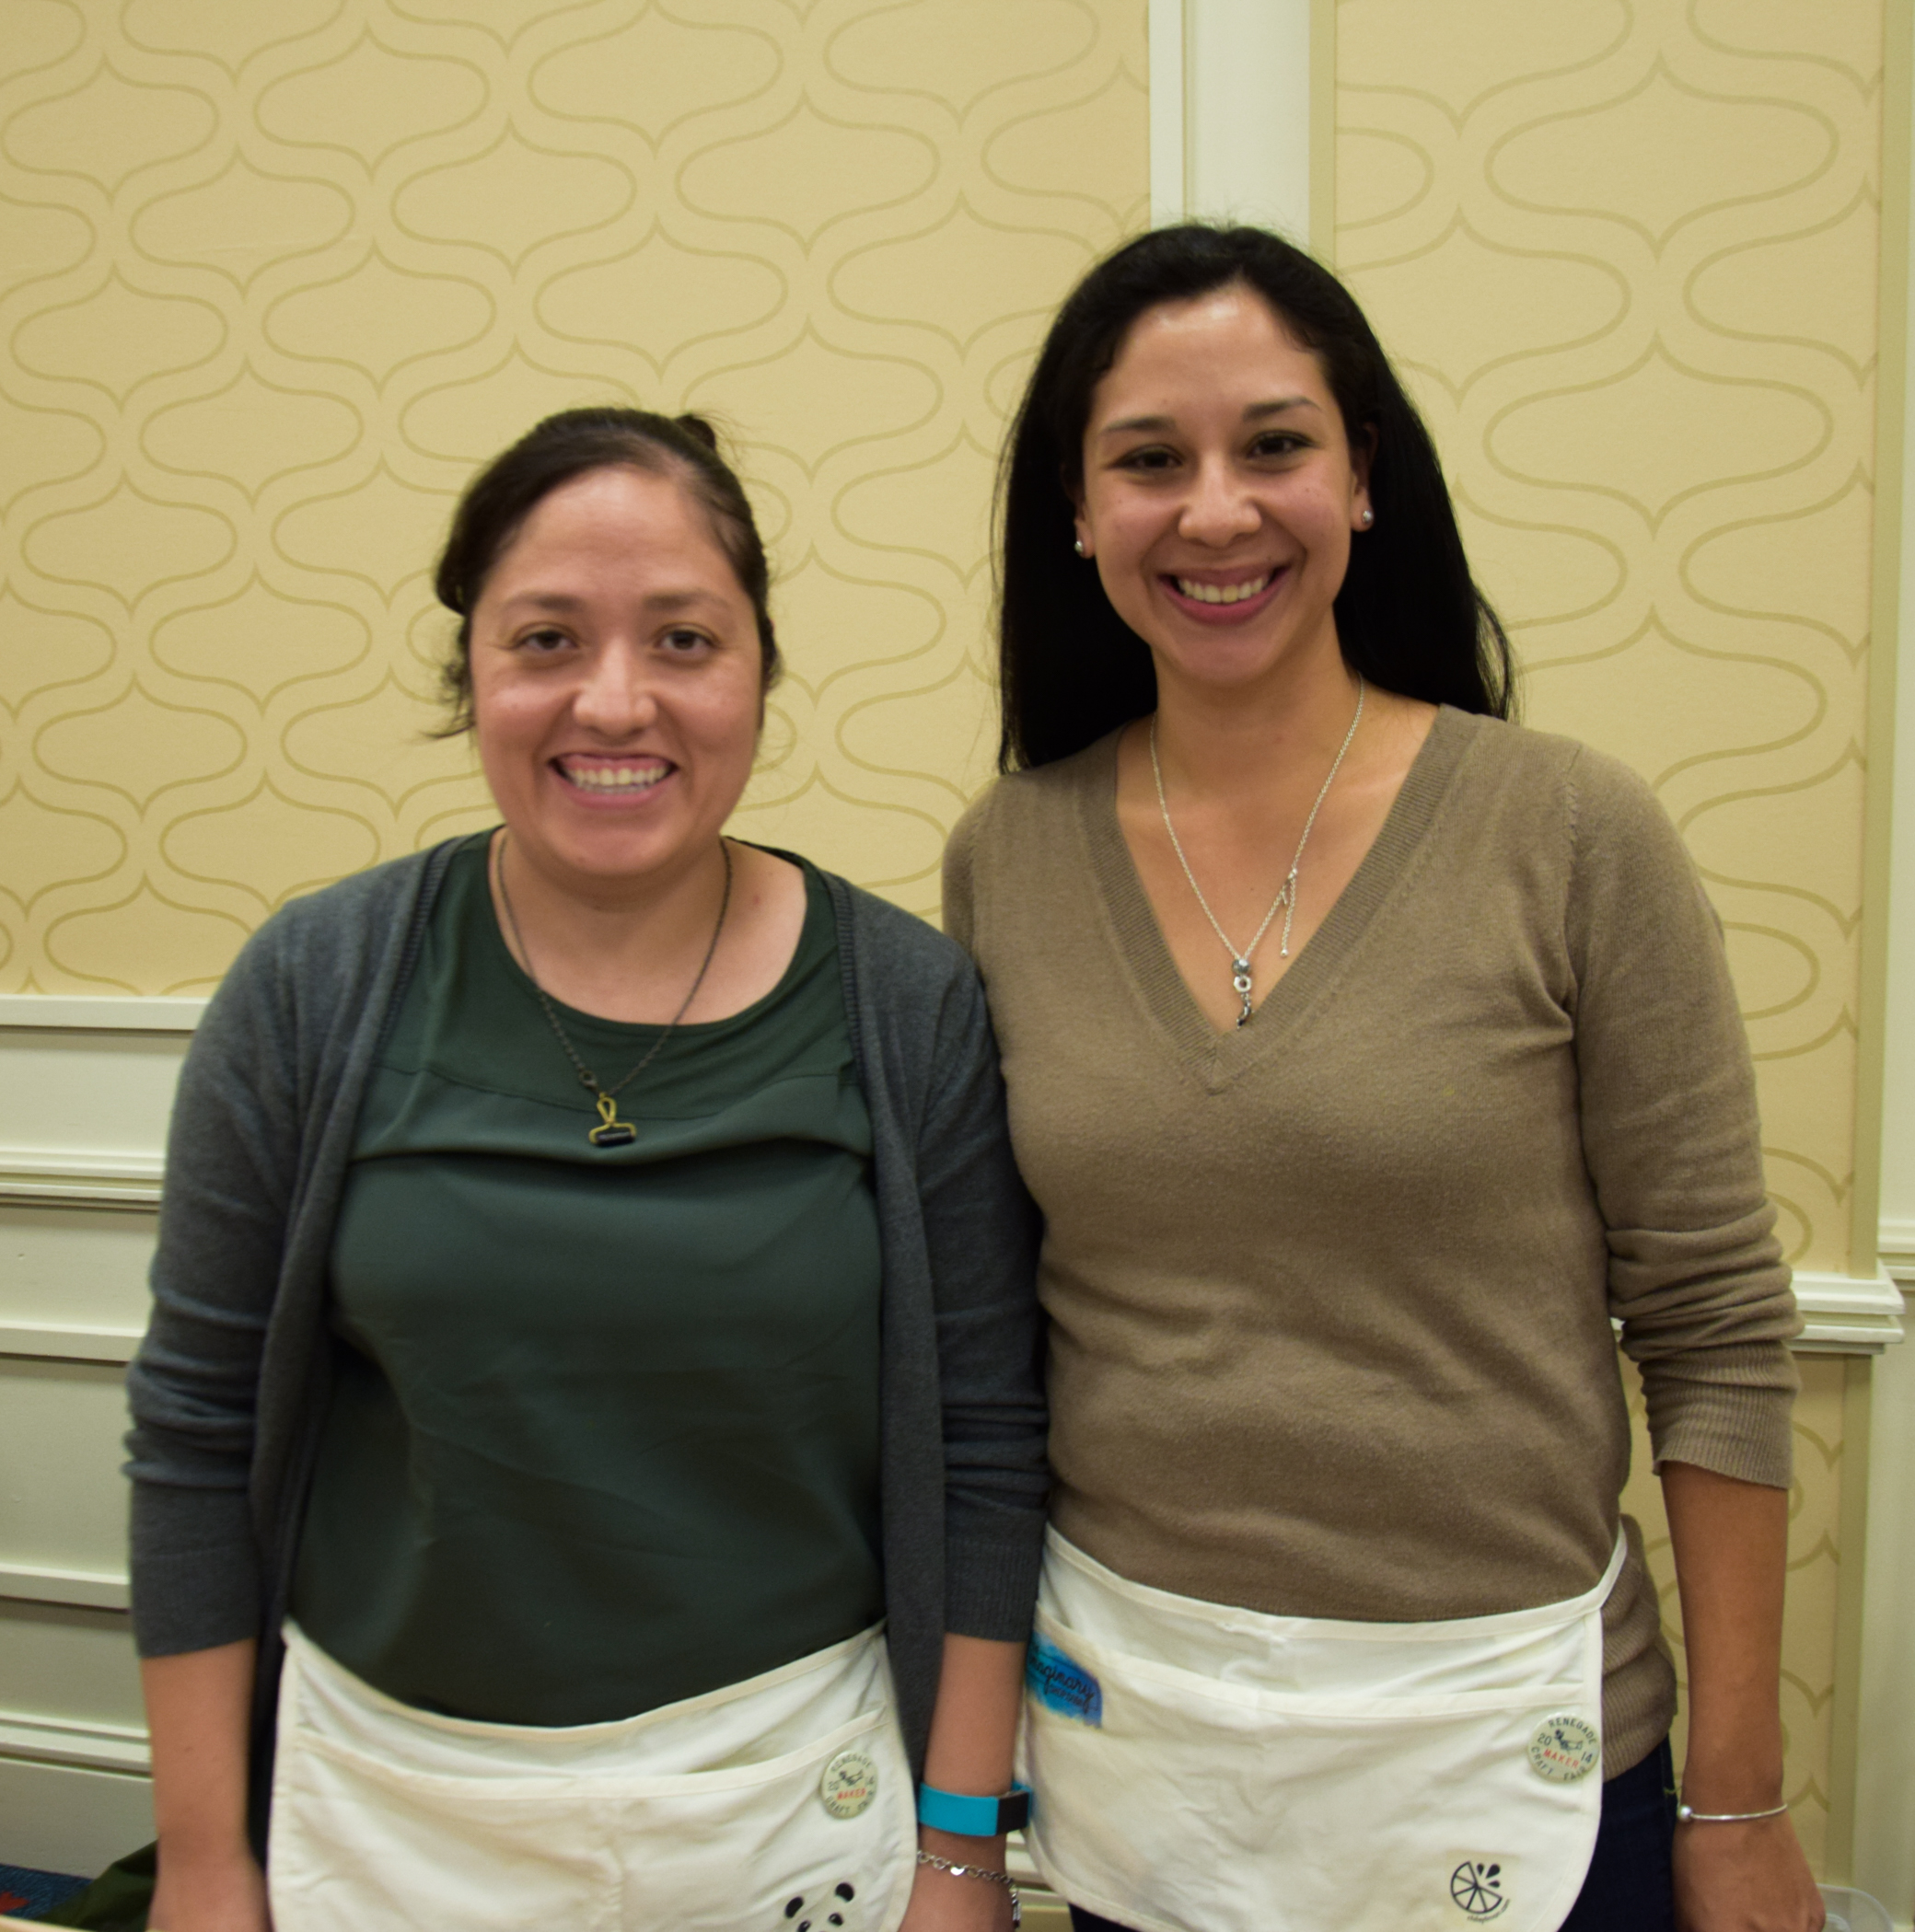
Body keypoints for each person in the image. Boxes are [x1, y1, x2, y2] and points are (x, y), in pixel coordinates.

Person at [942, 225, 1824, 1932]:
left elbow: (1716, 1326)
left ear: (1361, 479)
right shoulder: (1009, 858)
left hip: (1515, 1759)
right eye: (1149, 460)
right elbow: (995, 1358)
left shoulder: (1569, 831)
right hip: (1144, 1747)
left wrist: (1736, 1796)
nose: (1215, 512)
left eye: (1273, 445)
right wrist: (960, 1818)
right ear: (1078, 513)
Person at [125, 406, 1045, 1932]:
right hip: (393, 1809)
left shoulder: (907, 1004)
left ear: (759, 671)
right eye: (547, 639)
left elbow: (987, 1453)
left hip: (790, 1803)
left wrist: (961, 1855)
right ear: (472, 670)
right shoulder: (313, 984)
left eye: (683, 639)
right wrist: (206, 1863)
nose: (615, 702)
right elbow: (196, 1440)